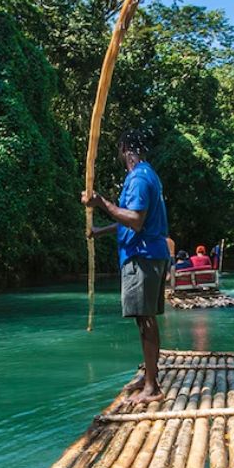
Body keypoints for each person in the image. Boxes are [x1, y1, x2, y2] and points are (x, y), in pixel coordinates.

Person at [82, 129, 170, 404]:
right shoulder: (144, 175)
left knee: (145, 320)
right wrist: (100, 231)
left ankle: (152, 387)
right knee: (145, 319)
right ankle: (149, 379)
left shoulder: (140, 178)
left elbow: (135, 219)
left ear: (124, 148)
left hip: (142, 256)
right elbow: (129, 220)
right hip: (146, 254)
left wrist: (101, 202)